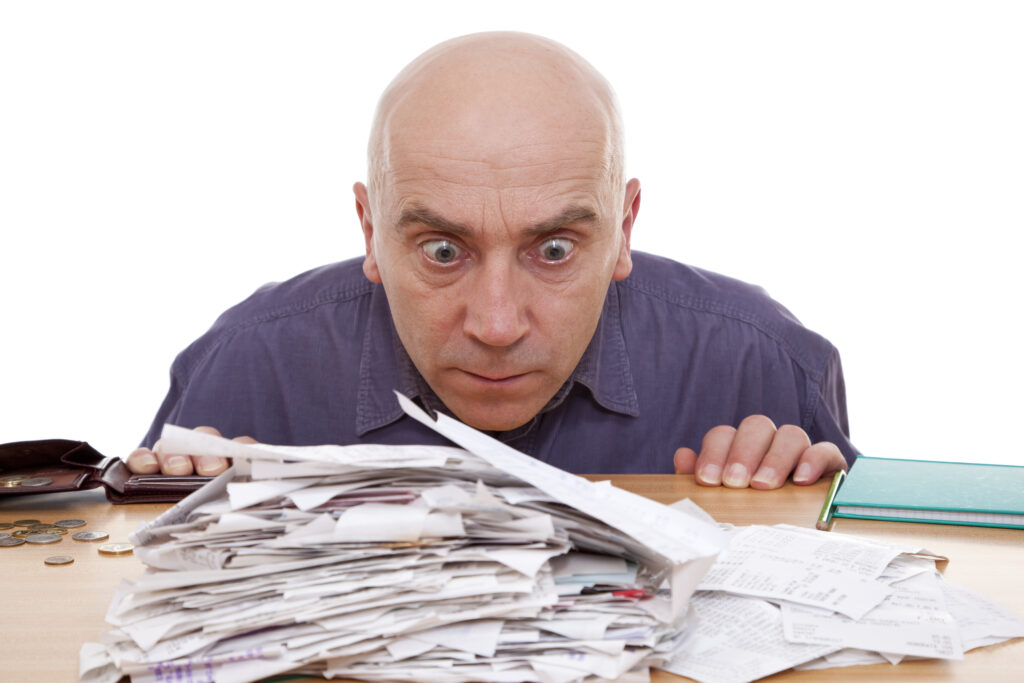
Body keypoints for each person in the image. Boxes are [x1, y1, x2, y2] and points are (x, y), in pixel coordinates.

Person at [126, 31, 854, 489]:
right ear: (369, 229)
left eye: (555, 249)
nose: (498, 324)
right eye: (443, 251)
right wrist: (168, 504)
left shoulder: (762, 365)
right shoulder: (245, 369)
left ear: (623, 226)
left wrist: (806, 499)